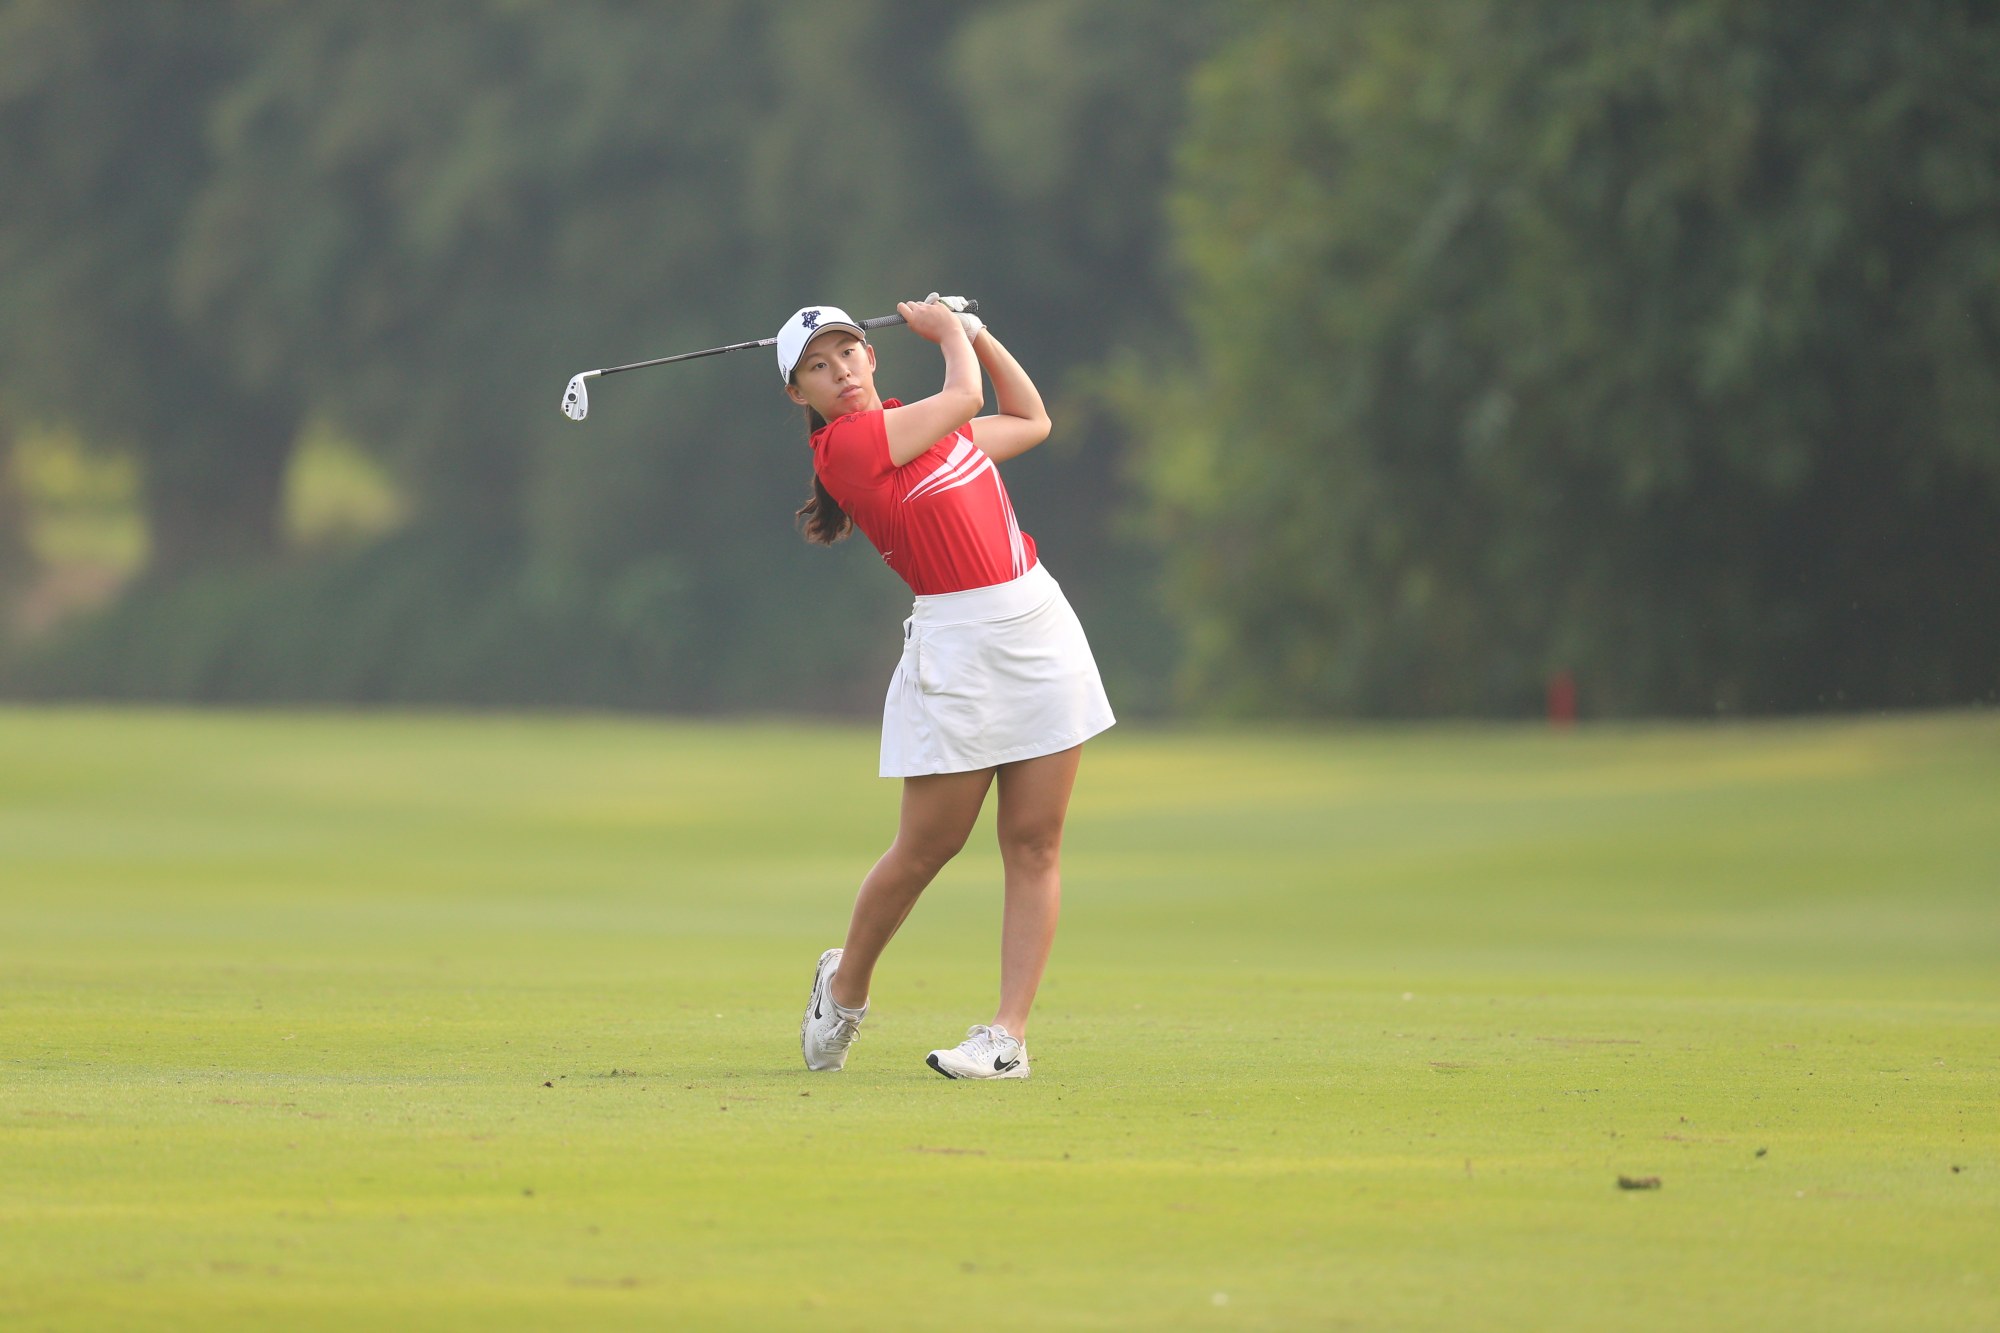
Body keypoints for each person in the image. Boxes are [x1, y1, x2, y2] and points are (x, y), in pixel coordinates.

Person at [777, 295, 1115, 1080]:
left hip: (1037, 621)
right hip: (959, 646)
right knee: (929, 846)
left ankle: (1007, 1037)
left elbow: (1030, 420)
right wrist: (950, 333)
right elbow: (964, 396)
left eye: (849, 354)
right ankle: (845, 985)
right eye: (818, 369)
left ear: (871, 355)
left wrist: (983, 334)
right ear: (800, 395)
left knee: (1035, 841)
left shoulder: (923, 424)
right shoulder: (847, 448)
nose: (841, 374)